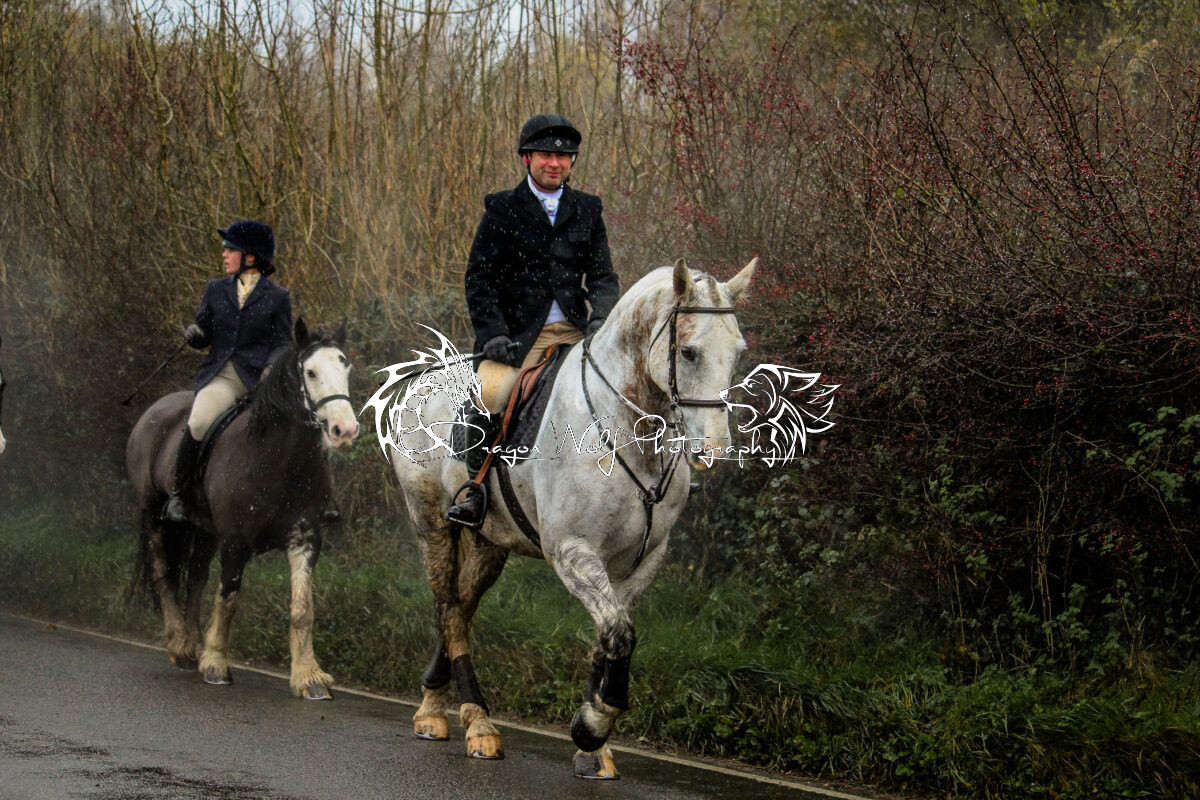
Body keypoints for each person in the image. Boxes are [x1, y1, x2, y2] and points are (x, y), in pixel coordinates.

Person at [447, 113, 620, 528]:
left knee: (628, 385)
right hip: (519, 337)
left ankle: (656, 476)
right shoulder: (502, 209)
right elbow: (480, 280)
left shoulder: (587, 209)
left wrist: (602, 317)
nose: (555, 163)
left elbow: (602, 276)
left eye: (564, 157)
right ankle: (475, 488)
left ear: (572, 162)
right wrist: (493, 334)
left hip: (578, 332)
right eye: (545, 155)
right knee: (489, 395)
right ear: (527, 158)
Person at [163, 220, 293, 522]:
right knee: (198, 421)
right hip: (225, 377)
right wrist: (195, 334)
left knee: (303, 424)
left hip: (262, 381)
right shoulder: (215, 290)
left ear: (251, 257)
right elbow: (205, 331)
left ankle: (315, 501)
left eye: (230, 249)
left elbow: (283, 342)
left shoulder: (278, 297)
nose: (223, 254)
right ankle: (180, 494)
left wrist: (271, 367)